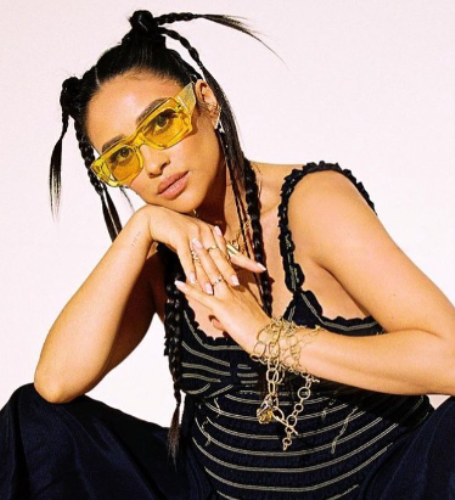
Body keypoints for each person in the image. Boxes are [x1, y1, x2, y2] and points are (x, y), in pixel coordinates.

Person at [1, 8, 455, 500]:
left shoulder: (311, 205)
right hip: (213, 492)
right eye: (122, 157)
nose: (152, 164)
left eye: (162, 122)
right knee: (35, 425)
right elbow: (54, 384)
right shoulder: (160, 252)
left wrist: (267, 337)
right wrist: (142, 227)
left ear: (206, 102)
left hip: (382, 486)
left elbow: (449, 357)